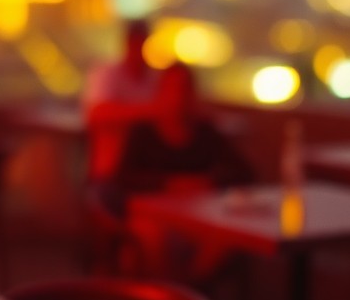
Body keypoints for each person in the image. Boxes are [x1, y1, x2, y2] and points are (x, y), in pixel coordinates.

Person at [108, 62, 253, 281]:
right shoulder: (143, 132)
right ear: (160, 93)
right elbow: (121, 179)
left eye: (184, 89)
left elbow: (245, 171)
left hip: (198, 219)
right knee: (151, 238)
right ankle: (172, 291)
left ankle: (188, 288)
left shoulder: (205, 132)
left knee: (228, 236)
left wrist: (208, 181)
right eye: (172, 89)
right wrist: (170, 184)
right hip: (154, 218)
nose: (178, 97)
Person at [83, 19, 160, 182]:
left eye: (141, 42)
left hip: (150, 170)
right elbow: (96, 113)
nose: (138, 48)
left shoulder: (155, 78)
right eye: (135, 42)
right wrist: (153, 111)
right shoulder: (107, 74)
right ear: (127, 42)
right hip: (111, 171)